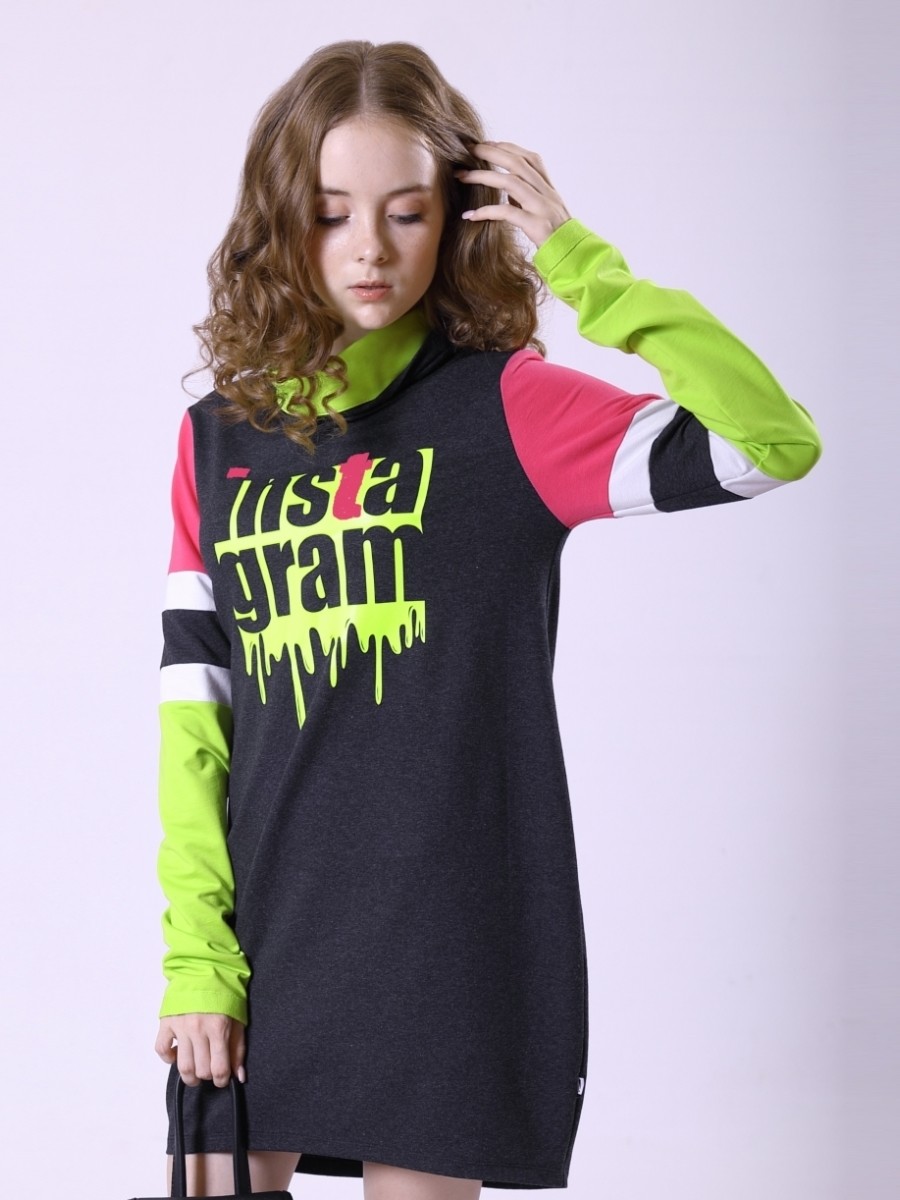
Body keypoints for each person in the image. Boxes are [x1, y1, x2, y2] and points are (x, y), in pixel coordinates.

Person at [152, 38, 822, 1199]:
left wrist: (580, 262)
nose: (370, 248)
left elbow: (769, 443)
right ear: (278, 219)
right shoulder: (218, 436)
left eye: (408, 212)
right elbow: (193, 712)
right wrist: (198, 959)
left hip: (445, 943)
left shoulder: (508, 408)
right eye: (330, 213)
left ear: (457, 217)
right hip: (262, 941)